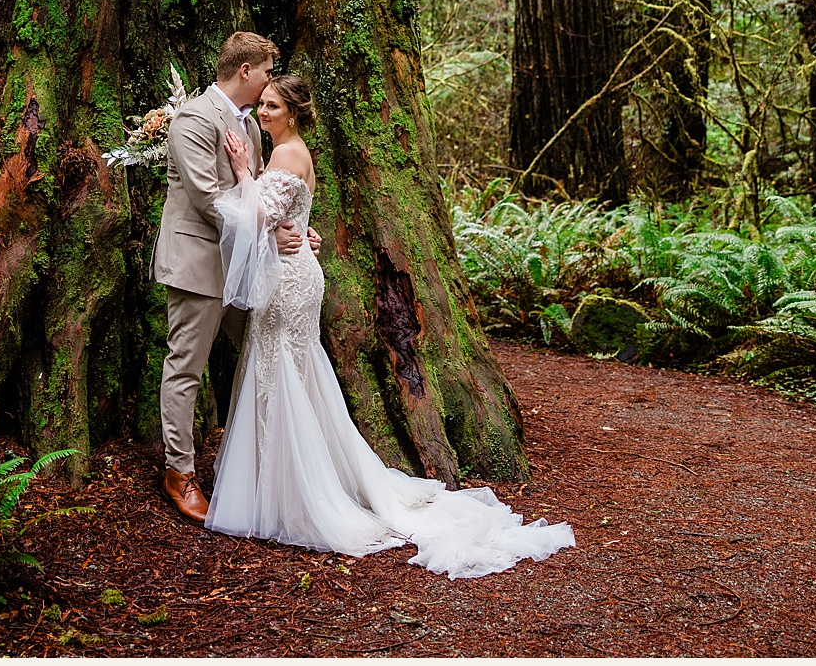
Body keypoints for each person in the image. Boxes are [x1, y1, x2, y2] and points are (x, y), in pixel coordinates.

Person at [202, 74, 574, 578]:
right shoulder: (286, 153)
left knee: (285, 373)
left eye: (271, 106)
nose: (262, 113)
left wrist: (243, 174)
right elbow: (283, 218)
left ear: (292, 113)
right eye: (262, 104)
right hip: (289, 275)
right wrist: (292, 224)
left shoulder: (287, 154)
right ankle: (284, 482)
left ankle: (303, 493)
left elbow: (257, 216)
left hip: (291, 283)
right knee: (284, 372)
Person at [154, 31, 318, 522]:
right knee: (186, 367)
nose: (271, 80)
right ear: (246, 71)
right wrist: (269, 235)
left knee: (264, 358)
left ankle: (268, 469)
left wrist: (293, 230)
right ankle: (179, 473)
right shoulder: (194, 119)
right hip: (199, 265)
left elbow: (265, 195)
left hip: (247, 273)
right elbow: (207, 198)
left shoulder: (250, 128)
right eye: (267, 71)